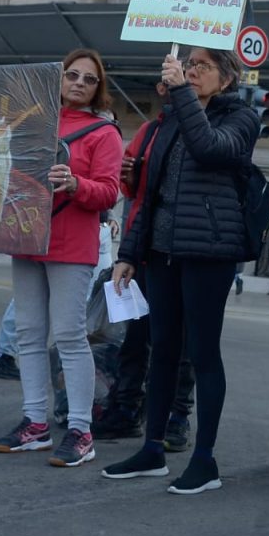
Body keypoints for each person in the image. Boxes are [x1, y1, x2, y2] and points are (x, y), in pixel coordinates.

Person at [103, 47, 259, 495]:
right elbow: (150, 193)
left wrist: (181, 95)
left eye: (202, 67)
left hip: (209, 251)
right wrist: (129, 252)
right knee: (163, 350)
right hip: (161, 250)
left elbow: (210, 148)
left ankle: (204, 461)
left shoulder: (242, 118)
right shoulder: (171, 119)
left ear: (226, 79)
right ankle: (152, 449)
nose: (191, 71)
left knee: (203, 353)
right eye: (188, 65)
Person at [0, 49, 123, 466]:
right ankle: (35, 423)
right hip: (28, 237)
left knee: (69, 335)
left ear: (98, 88)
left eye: (89, 79)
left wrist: (75, 184)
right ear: (59, 78)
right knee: (29, 333)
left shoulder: (105, 133)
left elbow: (109, 192)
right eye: (73, 75)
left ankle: (81, 431)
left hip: (71, 245)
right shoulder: (34, 122)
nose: (79, 83)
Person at [93, 82, 196, 448]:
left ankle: (176, 415)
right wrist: (131, 175)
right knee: (135, 336)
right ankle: (127, 407)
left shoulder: (204, 129)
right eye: (172, 82)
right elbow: (133, 190)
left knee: (181, 341)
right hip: (145, 245)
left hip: (185, 251)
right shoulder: (151, 130)